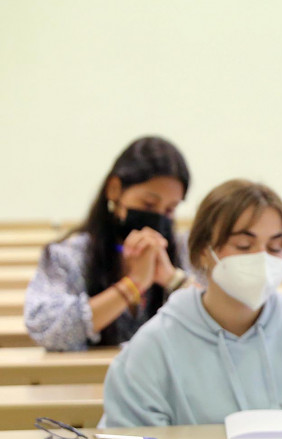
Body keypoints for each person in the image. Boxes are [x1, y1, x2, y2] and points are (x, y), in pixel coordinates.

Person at [101, 180, 282, 427]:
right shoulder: (152, 349)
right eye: (244, 245)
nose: (261, 259)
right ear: (204, 250)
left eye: (275, 247)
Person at [25, 136, 192, 351]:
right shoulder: (68, 255)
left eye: (169, 209)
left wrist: (172, 279)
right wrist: (134, 284)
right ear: (114, 190)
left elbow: (220, 321)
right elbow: (46, 330)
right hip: (85, 381)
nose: (159, 217)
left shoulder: (182, 252)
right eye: (149, 204)